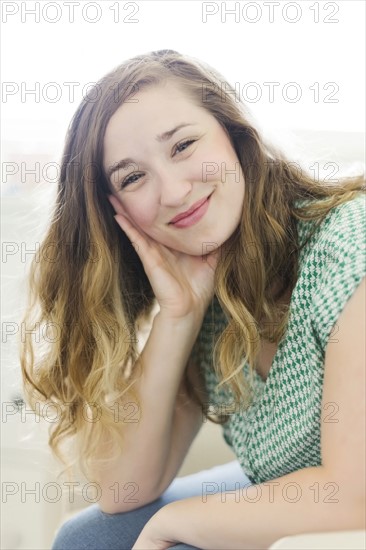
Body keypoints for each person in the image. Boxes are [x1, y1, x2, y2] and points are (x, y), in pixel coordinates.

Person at [20, 49, 365, 550]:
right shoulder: (212, 284)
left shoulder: (349, 245)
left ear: (234, 133)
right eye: (133, 177)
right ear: (116, 212)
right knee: (89, 538)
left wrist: (170, 524)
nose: (175, 191)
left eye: (183, 145)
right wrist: (179, 316)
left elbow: (352, 494)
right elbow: (122, 489)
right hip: (302, 490)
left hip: (346, 497)